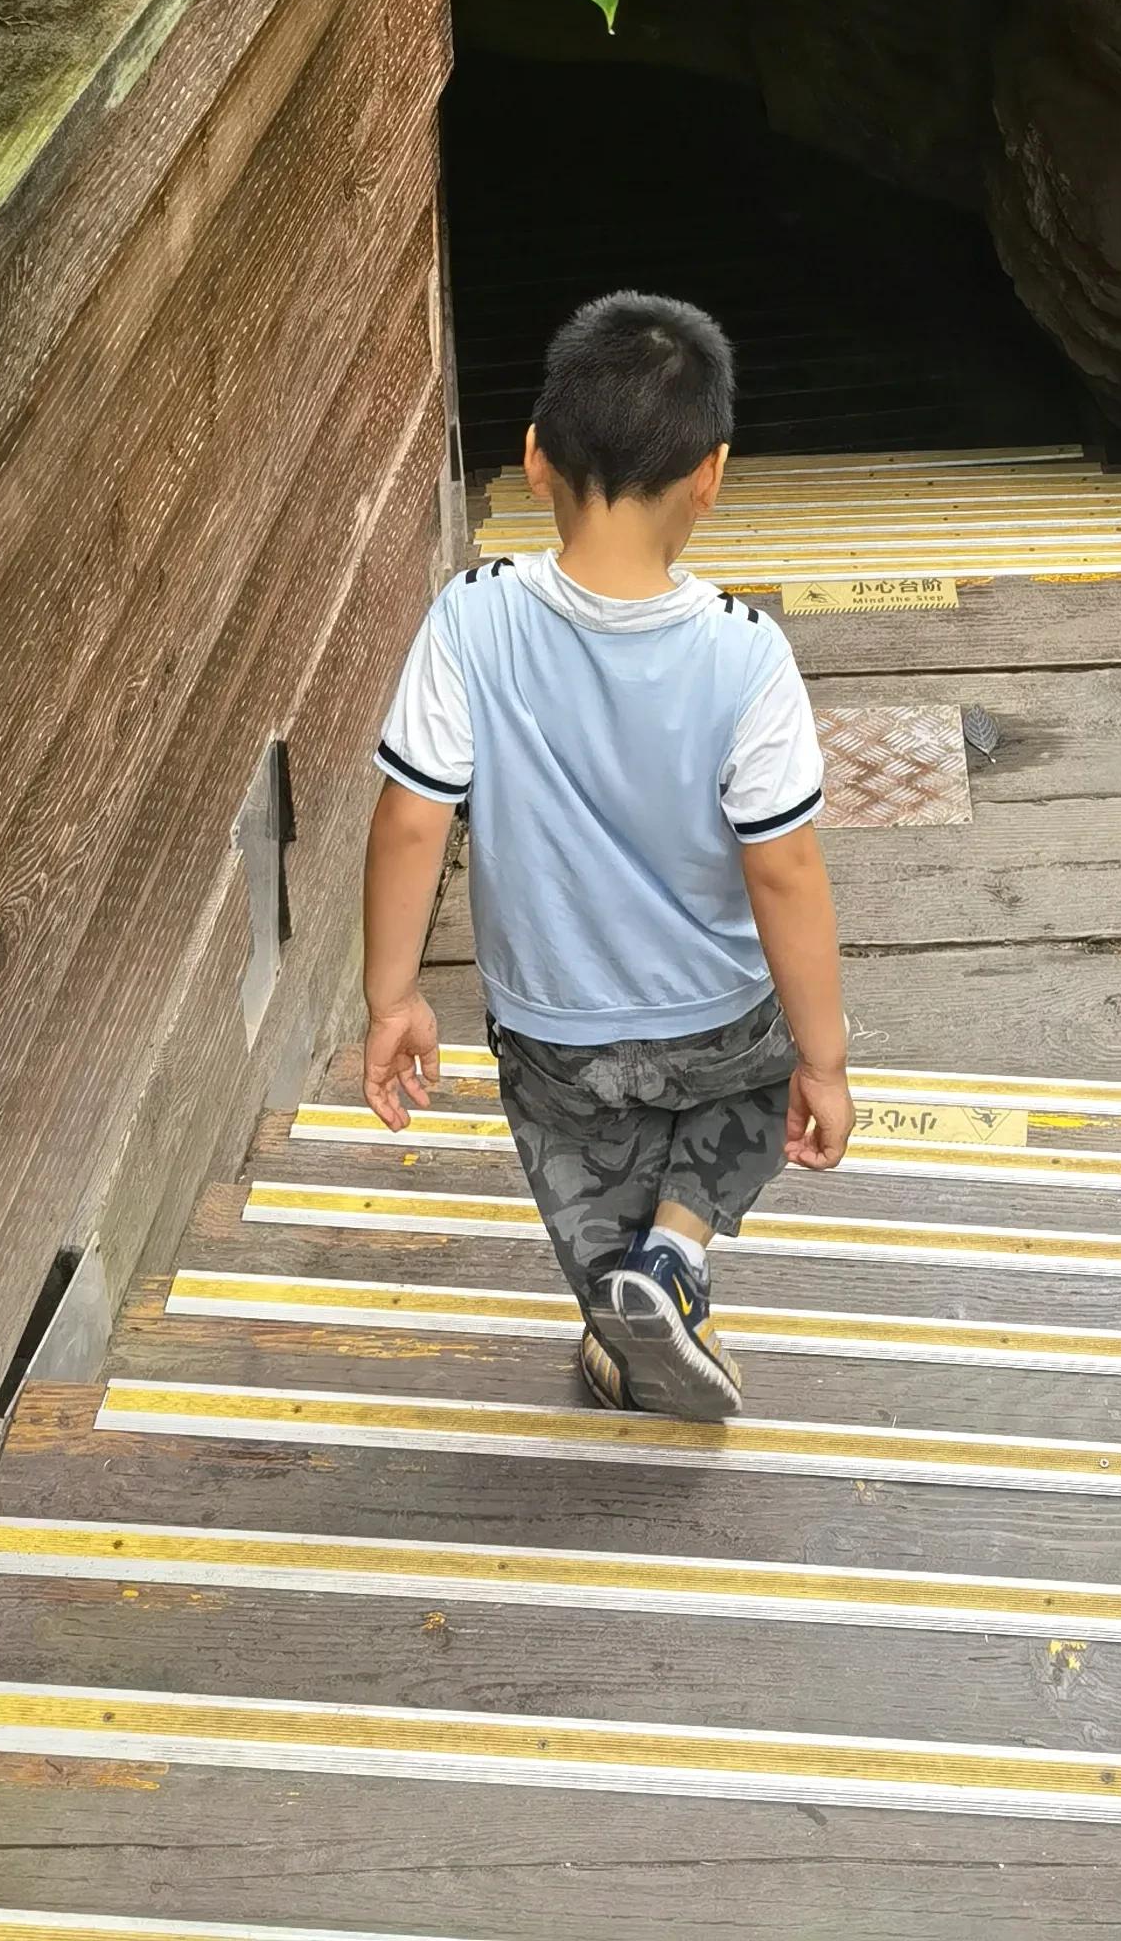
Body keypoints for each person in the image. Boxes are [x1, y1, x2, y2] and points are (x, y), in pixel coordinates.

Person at [357, 289, 856, 1419]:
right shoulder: (746, 653)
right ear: (712, 474)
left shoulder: (470, 619)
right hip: (721, 1014)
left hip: (553, 1027)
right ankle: (677, 1253)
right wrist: (821, 1059)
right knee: (755, 1101)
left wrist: (392, 997)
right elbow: (784, 868)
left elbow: (410, 817)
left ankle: (621, 1308)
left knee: (587, 1193)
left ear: (534, 458)